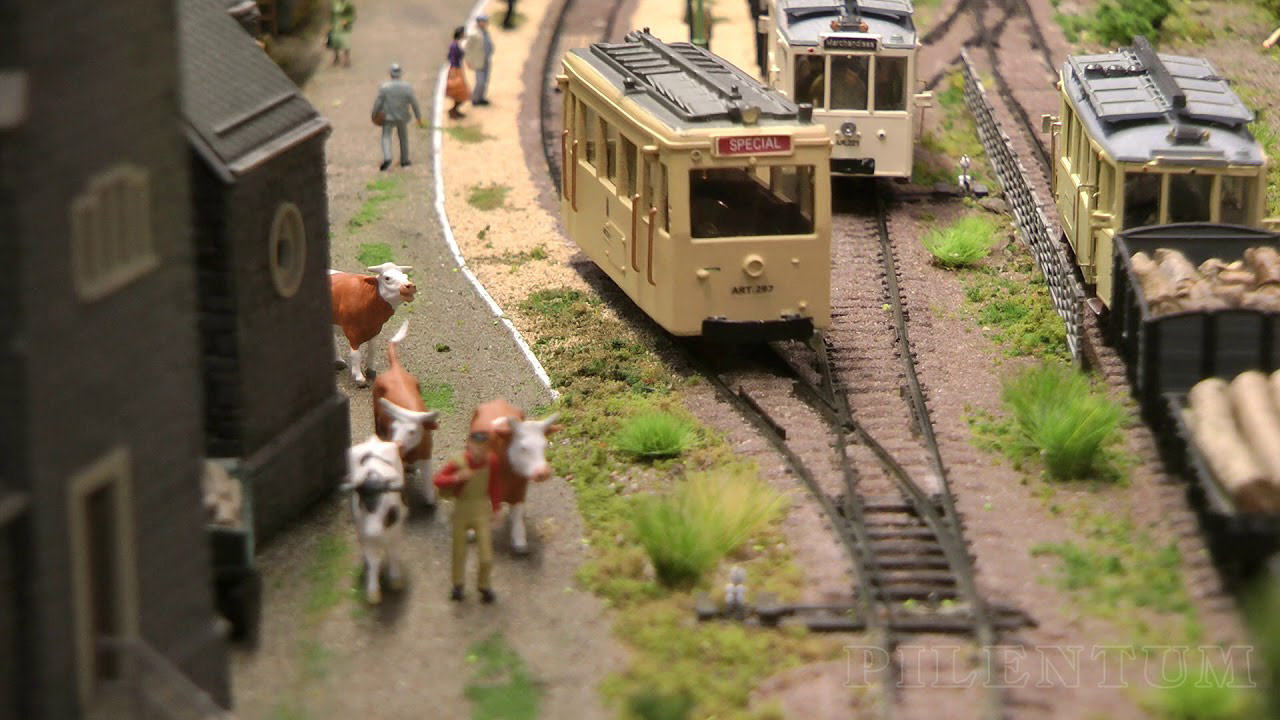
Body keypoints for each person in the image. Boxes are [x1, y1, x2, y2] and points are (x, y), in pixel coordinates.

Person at [434, 430, 500, 603]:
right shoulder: (459, 463)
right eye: (475, 446)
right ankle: (458, 585)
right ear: (469, 445)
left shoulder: (491, 462)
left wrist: (495, 508)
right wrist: (456, 477)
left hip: (481, 509)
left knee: (486, 555)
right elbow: (438, 480)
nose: (479, 451)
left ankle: (484, 586)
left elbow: (494, 486)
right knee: (459, 551)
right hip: (462, 508)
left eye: (483, 447)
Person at [371, 63, 424, 171]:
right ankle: (404, 160)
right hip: (402, 117)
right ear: (400, 74)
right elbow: (414, 103)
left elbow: (378, 103)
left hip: (388, 117)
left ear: (390, 74)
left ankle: (387, 157)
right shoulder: (407, 87)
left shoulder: (384, 87)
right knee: (403, 138)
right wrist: (418, 116)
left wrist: (374, 114)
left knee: (386, 136)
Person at [465, 15, 495, 106]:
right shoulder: (474, 34)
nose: (485, 23)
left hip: (486, 60)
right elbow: (468, 48)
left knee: (485, 80)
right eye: (484, 21)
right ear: (479, 22)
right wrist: (469, 60)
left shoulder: (486, 32)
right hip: (478, 61)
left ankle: (481, 98)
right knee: (480, 82)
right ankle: (475, 99)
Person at [446, 27, 470, 119]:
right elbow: (451, 58)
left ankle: (455, 110)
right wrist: (452, 71)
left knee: (460, 92)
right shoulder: (454, 46)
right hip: (455, 69)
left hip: (457, 68)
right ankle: (453, 110)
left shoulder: (457, 44)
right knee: (460, 91)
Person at [329, 0, 355, 68]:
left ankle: (346, 59)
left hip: (344, 28)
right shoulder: (334, 2)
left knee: (345, 43)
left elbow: (353, 16)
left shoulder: (348, 4)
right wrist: (330, 24)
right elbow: (332, 14)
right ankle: (336, 58)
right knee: (334, 42)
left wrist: (347, 20)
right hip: (335, 26)